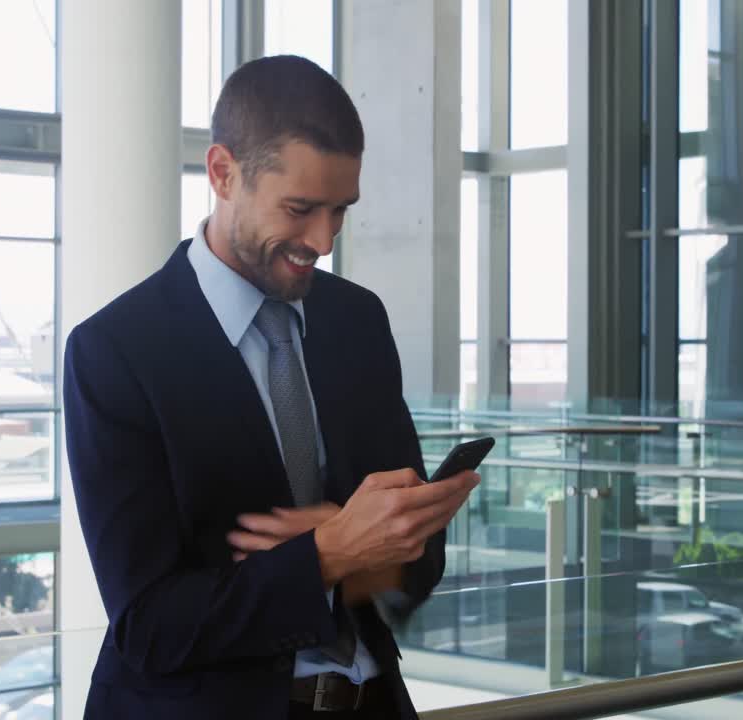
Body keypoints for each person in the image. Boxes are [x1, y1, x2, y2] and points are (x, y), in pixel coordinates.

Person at [63, 55, 479, 719]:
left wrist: (377, 546)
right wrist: (328, 552)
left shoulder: (356, 320)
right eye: (300, 209)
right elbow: (150, 626)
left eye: (340, 211)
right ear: (223, 173)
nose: (324, 239)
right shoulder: (115, 351)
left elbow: (416, 566)